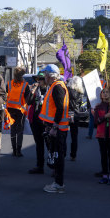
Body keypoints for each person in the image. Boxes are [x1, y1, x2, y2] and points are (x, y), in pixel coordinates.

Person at [39, 64, 70, 194]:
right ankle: (58, 183)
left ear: (50, 76)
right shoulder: (56, 86)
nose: (44, 76)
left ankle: (59, 184)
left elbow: (60, 108)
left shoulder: (57, 87)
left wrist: (55, 126)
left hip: (58, 129)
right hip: (56, 128)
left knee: (58, 156)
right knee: (57, 156)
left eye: (45, 74)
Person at [6, 66, 31, 157]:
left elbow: (6, 95)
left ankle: (14, 150)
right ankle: (19, 151)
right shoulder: (25, 85)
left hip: (10, 109)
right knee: (20, 130)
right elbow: (28, 99)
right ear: (22, 76)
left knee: (13, 130)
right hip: (20, 110)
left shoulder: (9, 84)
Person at [27, 71, 48, 174]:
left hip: (46, 120)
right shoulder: (36, 90)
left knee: (50, 144)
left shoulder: (49, 90)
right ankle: (40, 166)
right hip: (36, 119)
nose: (39, 81)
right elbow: (29, 102)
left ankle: (54, 166)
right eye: (38, 79)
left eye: (41, 79)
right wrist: (32, 91)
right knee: (39, 144)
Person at [67, 76, 85, 161]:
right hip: (76, 114)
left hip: (68, 113)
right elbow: (80, 104)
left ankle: (62, 151)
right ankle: (73, 155)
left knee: (63, 133)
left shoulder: (68, 90)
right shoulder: (81, 92)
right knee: (74, 136)